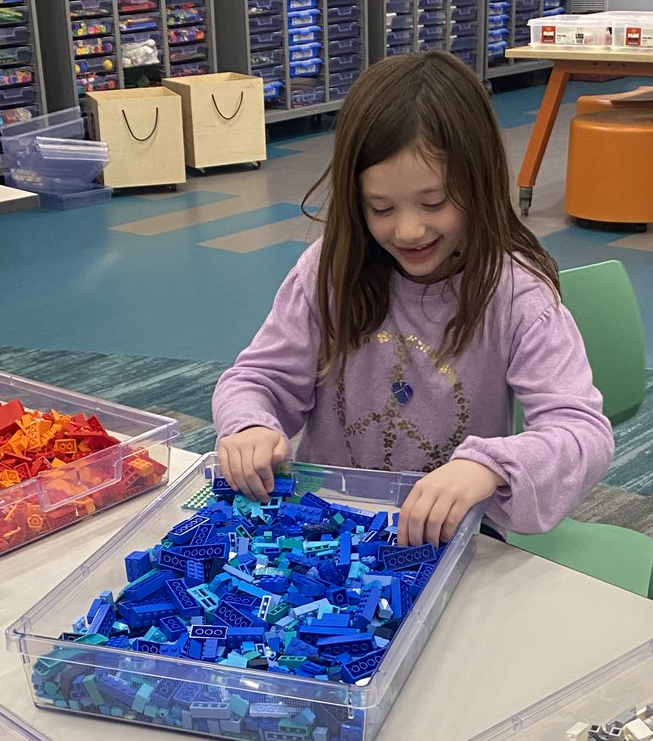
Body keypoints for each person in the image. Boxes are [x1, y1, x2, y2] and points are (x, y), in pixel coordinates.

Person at [212, 51, 614, 547]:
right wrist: (248, 424)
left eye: (434, 202)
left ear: (480, 183)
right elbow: (258, 380)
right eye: (380, 207)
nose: (408, 230)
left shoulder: (517, 294)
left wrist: (488, 467)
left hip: (452, 539)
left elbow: (582, 434)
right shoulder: (329, 269)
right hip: (328, 532)